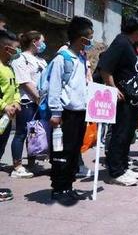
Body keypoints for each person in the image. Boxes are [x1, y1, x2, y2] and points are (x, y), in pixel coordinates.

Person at [48, 17, 93, 202]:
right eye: (90, 37)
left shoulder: (81, 58)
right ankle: (59, 188)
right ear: (82, 38)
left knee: (74, 152)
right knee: (62, 153)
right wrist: (56, 112)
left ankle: (69, 185)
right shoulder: (62, 58)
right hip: (66, 114)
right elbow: (55, 87)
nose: (91, 41)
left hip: (80, 112)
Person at [100, 15, 138, 186]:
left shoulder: (131, 45)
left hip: (133, 98)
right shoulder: (120, 42)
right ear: (136, 31)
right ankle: (116, 172)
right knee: (120, 134)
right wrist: (112, 87)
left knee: (128, 135)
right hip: (123, 99)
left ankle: (124, 166)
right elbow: (105, 67)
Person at [10, 31, 47, 178]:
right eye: (42, 41)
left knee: (33, 134)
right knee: (21, 133)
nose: (44, 44)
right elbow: (25, 82)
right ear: (34, 41)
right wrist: (38, 98)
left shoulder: (41, 60)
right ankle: (17, 166)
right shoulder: (20, 59)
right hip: (27, 101)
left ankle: (31, 163)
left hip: (40, 102)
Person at [0, 30, 21, 162]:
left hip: (7, 117)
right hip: (3, 112)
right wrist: (4, 106)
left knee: (2, 146)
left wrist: (16, 101)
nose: (18, 51)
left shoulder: (10, 67)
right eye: (16, 49)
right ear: (7, 49)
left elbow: (16, 87)